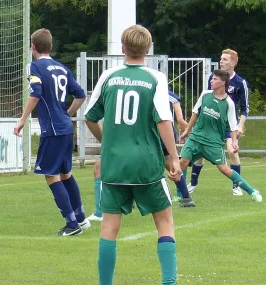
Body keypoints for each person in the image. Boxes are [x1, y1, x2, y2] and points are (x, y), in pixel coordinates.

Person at [84, 24, 193, 285]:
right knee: (165, 221)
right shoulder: (155, 78)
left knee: (109, 227)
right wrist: (173, 158)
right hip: (145, 163)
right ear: (149, 49)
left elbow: (89, 116)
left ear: (122, 48)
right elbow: (163, 120)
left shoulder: (108, 76)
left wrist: (108, 141)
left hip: (114, 164)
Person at [14, 28, 89, 236]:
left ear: (33, 47)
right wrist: (67, 113)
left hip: (53, 130)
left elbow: (36, 93)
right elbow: (80, 95)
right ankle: (81, 218)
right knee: (66, 174)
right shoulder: (61, 68)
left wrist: (22, 120)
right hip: (65, 127)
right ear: (51, 46)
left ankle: (72, 224)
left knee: (51, 175)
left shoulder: (35, 66)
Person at [85, 89, 193, 222]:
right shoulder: (143, 84)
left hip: (146, 133)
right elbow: (174, 101)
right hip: (157, 131)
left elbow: (174, 100)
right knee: (168, 163)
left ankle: (100, 212)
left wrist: (181, 119)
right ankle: (185, 196)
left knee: (100, 168)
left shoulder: (143, 85)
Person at [179, 69, 261, 202]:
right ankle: (181, 195)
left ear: (223, 83)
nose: (211, 81)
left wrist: (234, 142)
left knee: (224, 169)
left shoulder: (229, 103)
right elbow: (195, 112)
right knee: (182, 162)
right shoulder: (205, 94)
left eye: (214, 79)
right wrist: (187, 131)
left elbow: (233, 126)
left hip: (213, 142)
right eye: (211, 78)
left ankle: (251, 191)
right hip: (196, 137)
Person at [188, 49, 249, 196]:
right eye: (221, 59)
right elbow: (208, 100)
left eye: (225, 59)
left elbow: (244, 108)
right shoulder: (213, 78)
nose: (221, 61)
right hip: (213, 123)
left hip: (229, 125)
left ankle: (236, 186)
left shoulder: (240, 82)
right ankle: (193, 183)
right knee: (200, 153)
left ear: (233, 62)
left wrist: (240, 126)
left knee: (232, 151)